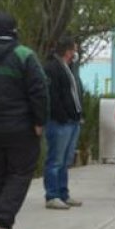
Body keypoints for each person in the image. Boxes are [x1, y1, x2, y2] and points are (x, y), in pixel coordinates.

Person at [0, 12, 47, 229]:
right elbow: (39, 91)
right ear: (14, 31)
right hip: (21, 126)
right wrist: (40, 121)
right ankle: (1, 220)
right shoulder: (24, 55)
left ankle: (0, 222)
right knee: (20, 173)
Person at [43, 37, 86, 211]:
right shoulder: (52, 68)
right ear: (68, 51)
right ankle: (52, 195)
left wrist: (78, 115)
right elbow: (53, 96)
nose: (76, 53)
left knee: (65, 160)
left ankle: (63, 193)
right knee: (55, 160)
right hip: (60, 122)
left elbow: (74, 93)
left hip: (73, 121)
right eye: (74, 50)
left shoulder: (69, 68)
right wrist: (63, 116)